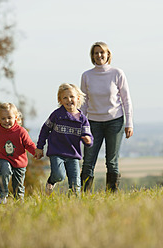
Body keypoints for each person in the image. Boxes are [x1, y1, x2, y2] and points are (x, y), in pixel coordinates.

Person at [80, 41, 133, 192]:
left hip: (114, 122)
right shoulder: (86, 76)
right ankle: (84, 194)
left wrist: (129, 123)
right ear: (92, 56)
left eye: (102, 52)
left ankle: (112, 194)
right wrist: (82, 126)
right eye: (96, 53)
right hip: (92, 124)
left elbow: (126, 100)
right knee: (88, 161)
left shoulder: (117, 73)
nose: (99, 55)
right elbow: (83, 103)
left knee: (112, 162)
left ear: (108, 55)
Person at [35, 83, 93, 195]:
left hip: (73, 155)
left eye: (72, 97)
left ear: (78, 98)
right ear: (60, 100)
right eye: (65, 97)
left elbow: (89, 137)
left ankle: (74, 204)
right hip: (56, 152)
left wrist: (88, 140)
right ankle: (51, 181)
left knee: (75, 183)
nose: (69, 100)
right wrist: (39, 147)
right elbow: (45, 130)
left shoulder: (83, 119)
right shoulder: (57, 115)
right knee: (59, 176)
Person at [0, 103, 36, 204]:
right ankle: (2, 196)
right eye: (3, 118)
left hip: (19, 162)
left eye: (9, 117)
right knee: (5, 171)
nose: (6, 121)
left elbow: (29, 144)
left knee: (18, 185)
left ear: (16, 117)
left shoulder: (21, 132)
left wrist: (36, 152)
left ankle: (19, 201)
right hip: (4, 158)